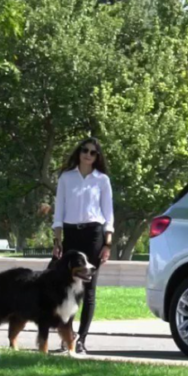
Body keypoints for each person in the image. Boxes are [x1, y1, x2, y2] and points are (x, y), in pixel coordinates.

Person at [52, 136, 114, 354]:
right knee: (66, 287)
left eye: (93, 152)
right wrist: (57, 240)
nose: (88, 155)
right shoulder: (66, 178)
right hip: (71, 233)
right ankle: (65, 337)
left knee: (88, 289)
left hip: (93, 235)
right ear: (79, 153)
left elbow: (108, 215)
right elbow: (58, 212)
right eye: (84, 150)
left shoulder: (102, 180)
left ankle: (81, 339)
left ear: (97, 157)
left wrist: (107, 244)